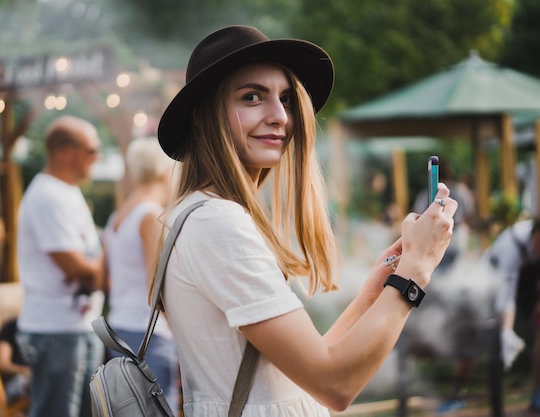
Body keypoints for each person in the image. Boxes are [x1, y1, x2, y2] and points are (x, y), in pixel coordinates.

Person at [154, 25, 457, 416]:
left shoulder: (203, 213)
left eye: (285, 99)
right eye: (251, 97)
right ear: (201, 117)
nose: (280, 116)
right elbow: (336, 384)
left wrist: (374, 293)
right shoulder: (217, 222)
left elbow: (301, 373)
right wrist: (417, 269)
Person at [437, 212, 540, 415]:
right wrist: (506, 332)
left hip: (530, 283)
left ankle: (539, 394)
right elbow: (506, 293)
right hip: (494, 280)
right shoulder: (513, 244)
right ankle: (457, 393)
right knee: (478, 330)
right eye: (539, 242)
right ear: (532, 234)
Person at [16, 115, 105, 417]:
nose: (98, 157)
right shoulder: (48, 196)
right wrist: (111, 262)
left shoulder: (65, 191)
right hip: (55, 331)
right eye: (92, 150)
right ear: (67, 152)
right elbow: (78, 268)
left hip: (75, 327)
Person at [102, 137, 180, 413]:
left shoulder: (118, 216)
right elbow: (157, 288)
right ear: (163, 172)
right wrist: (183, 336)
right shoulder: (152, 216)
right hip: (149, 336)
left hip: (119, 328)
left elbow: (108, 278)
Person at [413, 159, 476, 271]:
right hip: (457, 236)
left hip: (434, 237)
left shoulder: (425, 194)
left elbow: (418, 215)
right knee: (455, 273)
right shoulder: (461, 191)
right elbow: (469, 216)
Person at [0, 318, 31, 405]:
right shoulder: (11, 328)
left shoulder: (48, 331)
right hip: (18, 380)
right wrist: (26, 370)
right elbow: (3, 364)